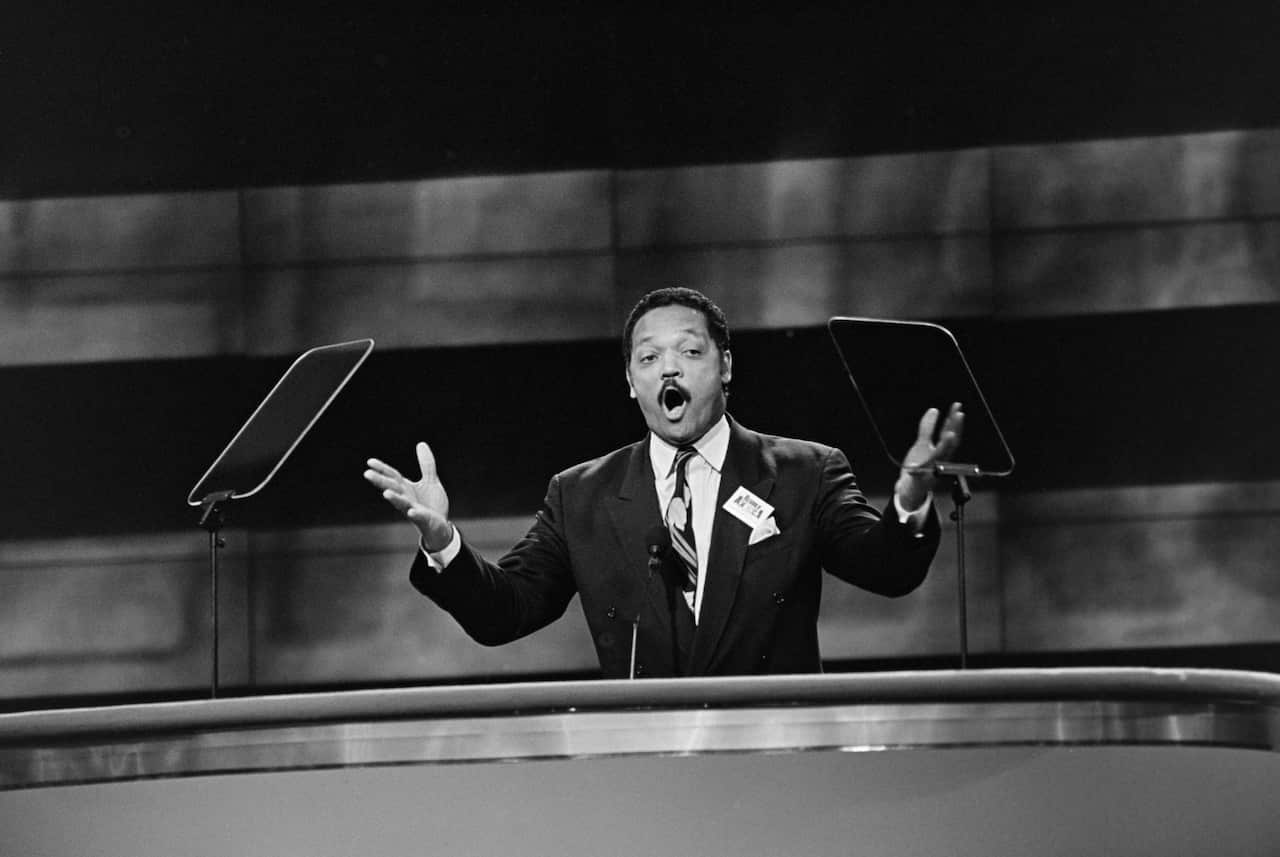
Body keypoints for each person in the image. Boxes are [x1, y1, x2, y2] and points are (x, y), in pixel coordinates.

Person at [364, 287, 963, 677]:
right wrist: (443, 541)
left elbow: (886, 568)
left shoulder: (806, 473)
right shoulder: (581, 496)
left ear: (725, 366)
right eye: (648, 358)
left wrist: (909, 501)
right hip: (644, 770)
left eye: (689, 352)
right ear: (630, 380)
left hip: (774, 761)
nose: (668, 368)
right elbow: (506, 613)